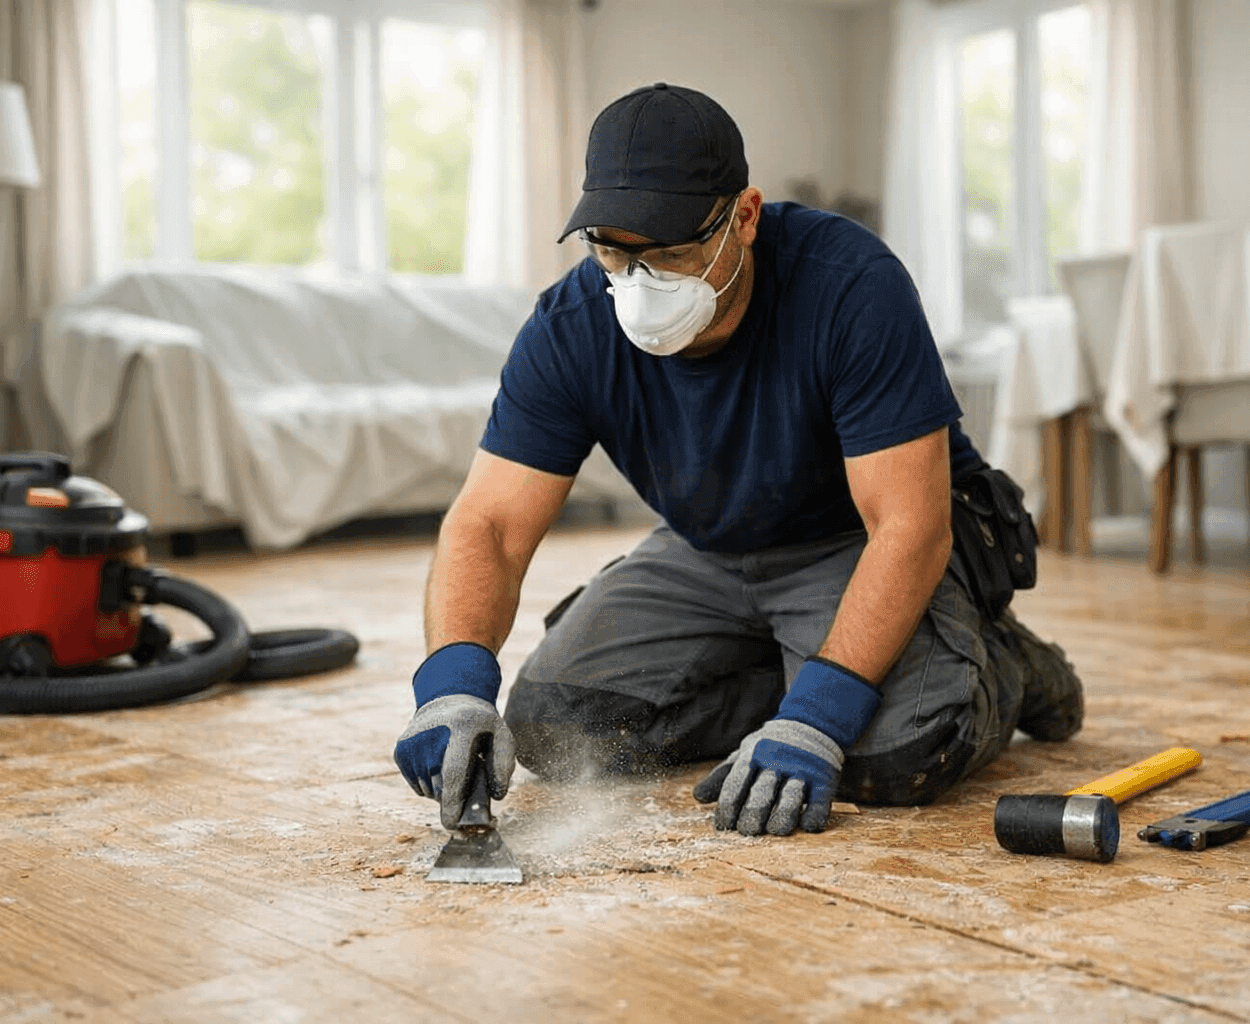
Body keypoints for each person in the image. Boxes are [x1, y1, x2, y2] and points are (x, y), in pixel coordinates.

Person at [394, 83, 1083, 839]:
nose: (638, 281)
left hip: (856, 541)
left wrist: (819, 718)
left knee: (897, 752)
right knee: (559, 726)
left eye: (667, 252)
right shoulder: (572, 326)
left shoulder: (850, 286)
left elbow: (909, 526)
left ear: (743, 218)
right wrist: (452, 686)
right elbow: (489, 522)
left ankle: (1003, 666)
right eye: (612, 252)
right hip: (706, 551)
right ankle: (796, 668)